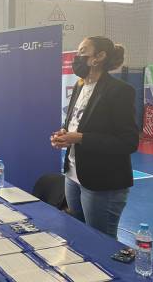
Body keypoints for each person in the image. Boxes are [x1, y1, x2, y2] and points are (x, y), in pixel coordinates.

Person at [50, 36, 139, 239]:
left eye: (82, 51)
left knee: (101, 243)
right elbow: (75, 124)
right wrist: (63, 135)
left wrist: (80, 138)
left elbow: (129, 141)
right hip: (73, 176)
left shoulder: (120, 91)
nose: (77, 57)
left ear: (99, 57)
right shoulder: (79, 87)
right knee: (78, 235)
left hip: (103, 183)